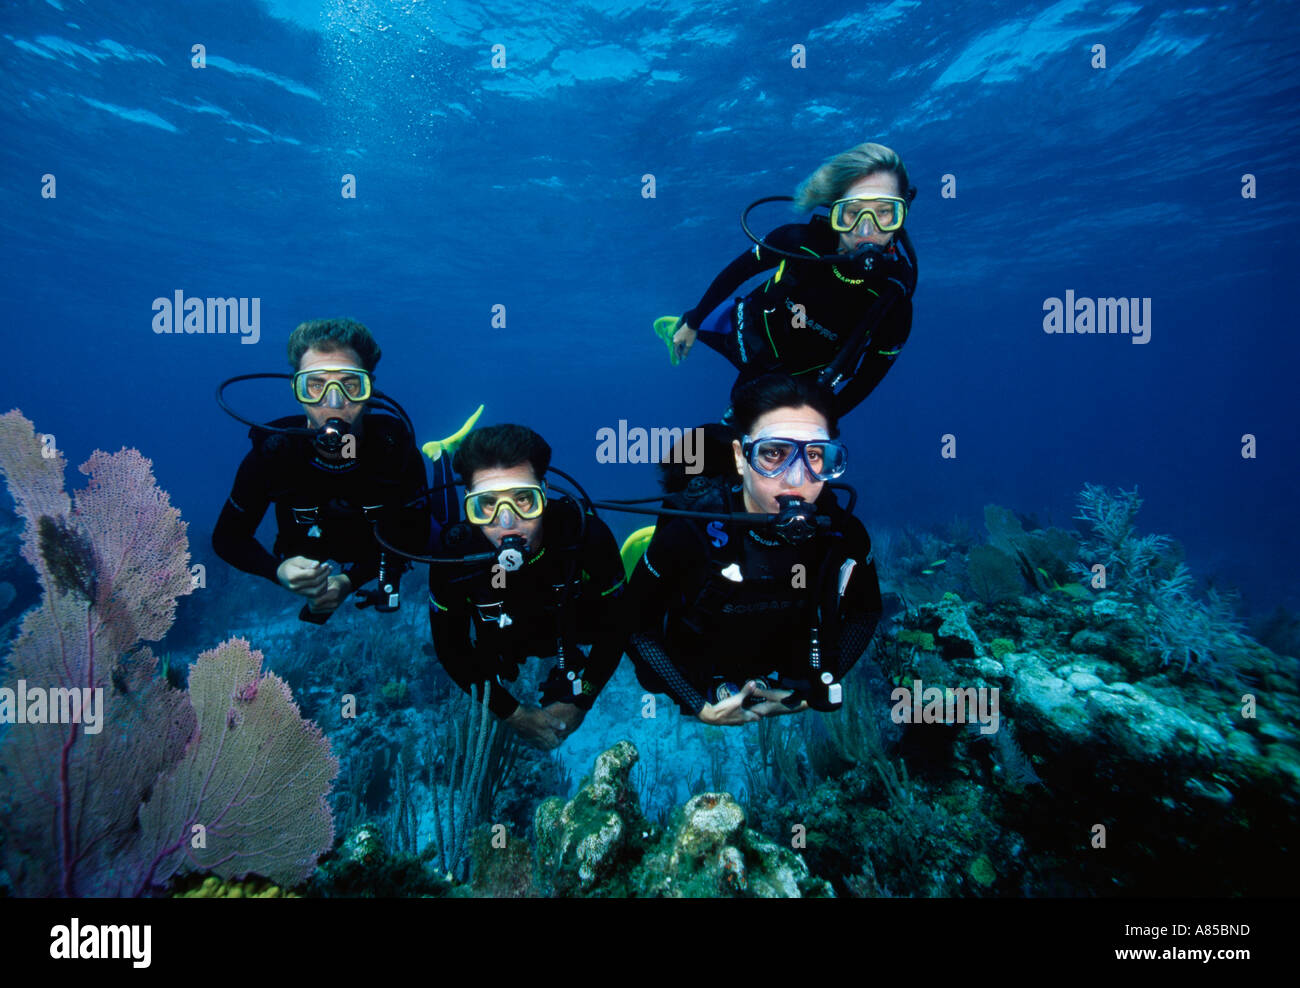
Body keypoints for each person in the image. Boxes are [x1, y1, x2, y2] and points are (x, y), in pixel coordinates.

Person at [624, 374, 882, 724]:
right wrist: (699, 706)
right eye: (774, 453)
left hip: (779, 652)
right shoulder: (690, 529)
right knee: (650, 679)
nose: (796, 478)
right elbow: (636, 626)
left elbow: (866, 612)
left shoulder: (841, 532)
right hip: (700, 653)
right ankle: (644, 545)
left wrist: (814, 688)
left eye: (816, 454)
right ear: (741, 457)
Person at [213, 318, 455, 620]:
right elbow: (227, 538)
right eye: (315, 385)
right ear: (296, 388)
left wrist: (349, 581)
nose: (334, 402)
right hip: (313, 541)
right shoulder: (273, 455)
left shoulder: (395, 450)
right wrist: (276, 570)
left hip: (376, 542)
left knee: (449, 538)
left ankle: (440, 455)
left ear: (369, 389)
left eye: (350, 384)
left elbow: (412, 537)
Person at [656, 142, 918, 419]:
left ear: (902, 215)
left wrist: (829, 417)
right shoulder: (797, 241)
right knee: (691, 323)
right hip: (744, 328)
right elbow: (737, 272)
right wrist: (694, 322)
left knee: (741, 427)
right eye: (853, 212)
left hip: (792, 379)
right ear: (835, 211)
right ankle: (680, 326)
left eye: (884, 212)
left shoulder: (895, 300)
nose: (867, 230)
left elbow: (871, 375)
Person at [427, 424, 626, 750]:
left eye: (523, 499)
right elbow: (451, 649)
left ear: (543, 495)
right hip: (502, 640)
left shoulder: (586, 536)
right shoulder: (453, 557)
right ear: (471, 505)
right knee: (437, 522)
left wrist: (582, 700)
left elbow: (618, 627)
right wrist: (513, 713)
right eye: (487, 504)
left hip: (570, 630)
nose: (508, 522)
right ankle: (439, 457)